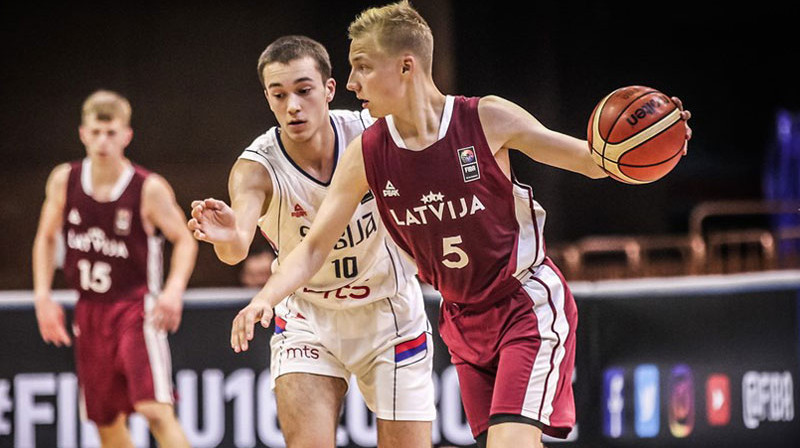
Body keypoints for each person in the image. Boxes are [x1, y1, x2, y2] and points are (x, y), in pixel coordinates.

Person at [229, 3, 694, 448]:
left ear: (406, 67)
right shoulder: (367, 152)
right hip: (462, 320)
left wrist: (657, 135)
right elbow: (312, 250)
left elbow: (594, 161)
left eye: (363, 66)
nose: (351, 82)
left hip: (523, 304)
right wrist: (265, 299)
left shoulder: (486, 119)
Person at [188, 35, 435, 447]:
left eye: (303, 91)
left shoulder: (370, 135)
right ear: (267, 98)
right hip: (309, 316)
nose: (293, 106)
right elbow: (236, 250)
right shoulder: (256, 168)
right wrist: (226, 235)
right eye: (279, 94)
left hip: (389, 310)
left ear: (329, 89)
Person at [32, 90, 197, 448]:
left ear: (126, 135)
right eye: (96, 132)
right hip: (89, 308)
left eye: (111, 132)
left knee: (154, 408)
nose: (103, 141)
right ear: (82, 134)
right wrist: (43, 297)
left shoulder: (147, 187)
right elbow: (46, 238)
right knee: (105, 420)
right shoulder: (65, 179)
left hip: (136, 306)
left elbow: (185, 239)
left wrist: (173, 291)